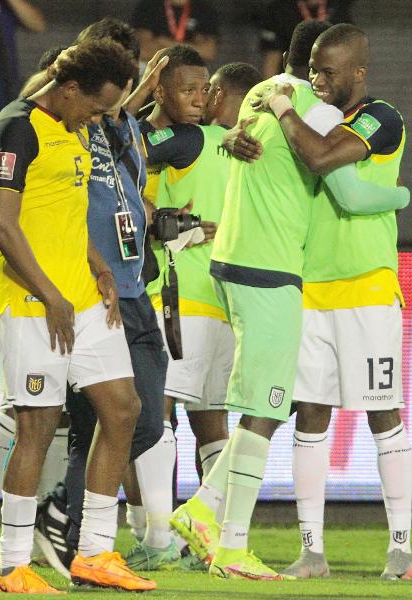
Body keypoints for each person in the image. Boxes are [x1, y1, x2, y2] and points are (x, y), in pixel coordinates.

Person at [169, 20, 350, 581]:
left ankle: (203, 511)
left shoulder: (258, 92)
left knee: (260, 407)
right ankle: (230, 546)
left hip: (231, 258)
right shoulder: (313, 111)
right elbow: (327, 164)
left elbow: (240, 137)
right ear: (322, 68)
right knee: (265, 407)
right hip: (269, 268)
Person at [0, 39, 155, 593]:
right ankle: (12, 564)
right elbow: (3, 227)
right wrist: (53, 296)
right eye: (97, 107)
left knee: (124, 409)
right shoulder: (17, 128)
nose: (101, 118)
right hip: (34, 303)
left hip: (82, 298)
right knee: (37, 422)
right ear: (70, 87)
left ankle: (95, 554)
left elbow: (69, 211)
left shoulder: (78, 127)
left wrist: (99, 266)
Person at [257, 23, 412, 580]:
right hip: (311, 286)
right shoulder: (312, 118)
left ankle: (401, 547)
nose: (317, 80)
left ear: (359, 74)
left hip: (368, 287)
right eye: (313, 69)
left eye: (329, 71)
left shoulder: (381, 116)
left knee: (382, 413)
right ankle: (312, 552)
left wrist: (282, 108)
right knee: (311, 413)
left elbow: (323, 159)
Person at [127, 57, 260, 572]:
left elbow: (123, 151)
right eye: (193, 89)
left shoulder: (191, 139)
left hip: (180, 297)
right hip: (229, 301)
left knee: (155, 414)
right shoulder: (251, 154)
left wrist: (165, 224)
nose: (202, 97)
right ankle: (216, 538)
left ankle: (159, 534)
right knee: (211, 421)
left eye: (208, 89)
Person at [256, 0, 354, 79]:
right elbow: (271, 58)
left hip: (331, 83)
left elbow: (349, 56)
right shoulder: (279, 9)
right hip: (292, 83)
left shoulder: (340, 6)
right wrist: (270, 94)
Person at [131, 0, 219, 66]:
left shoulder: (203, 8)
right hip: (155, 68)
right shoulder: (149, 5)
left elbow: (208, 52)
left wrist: (163, 42)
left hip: (189, 72)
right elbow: (143, 50)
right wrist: (190, 48)